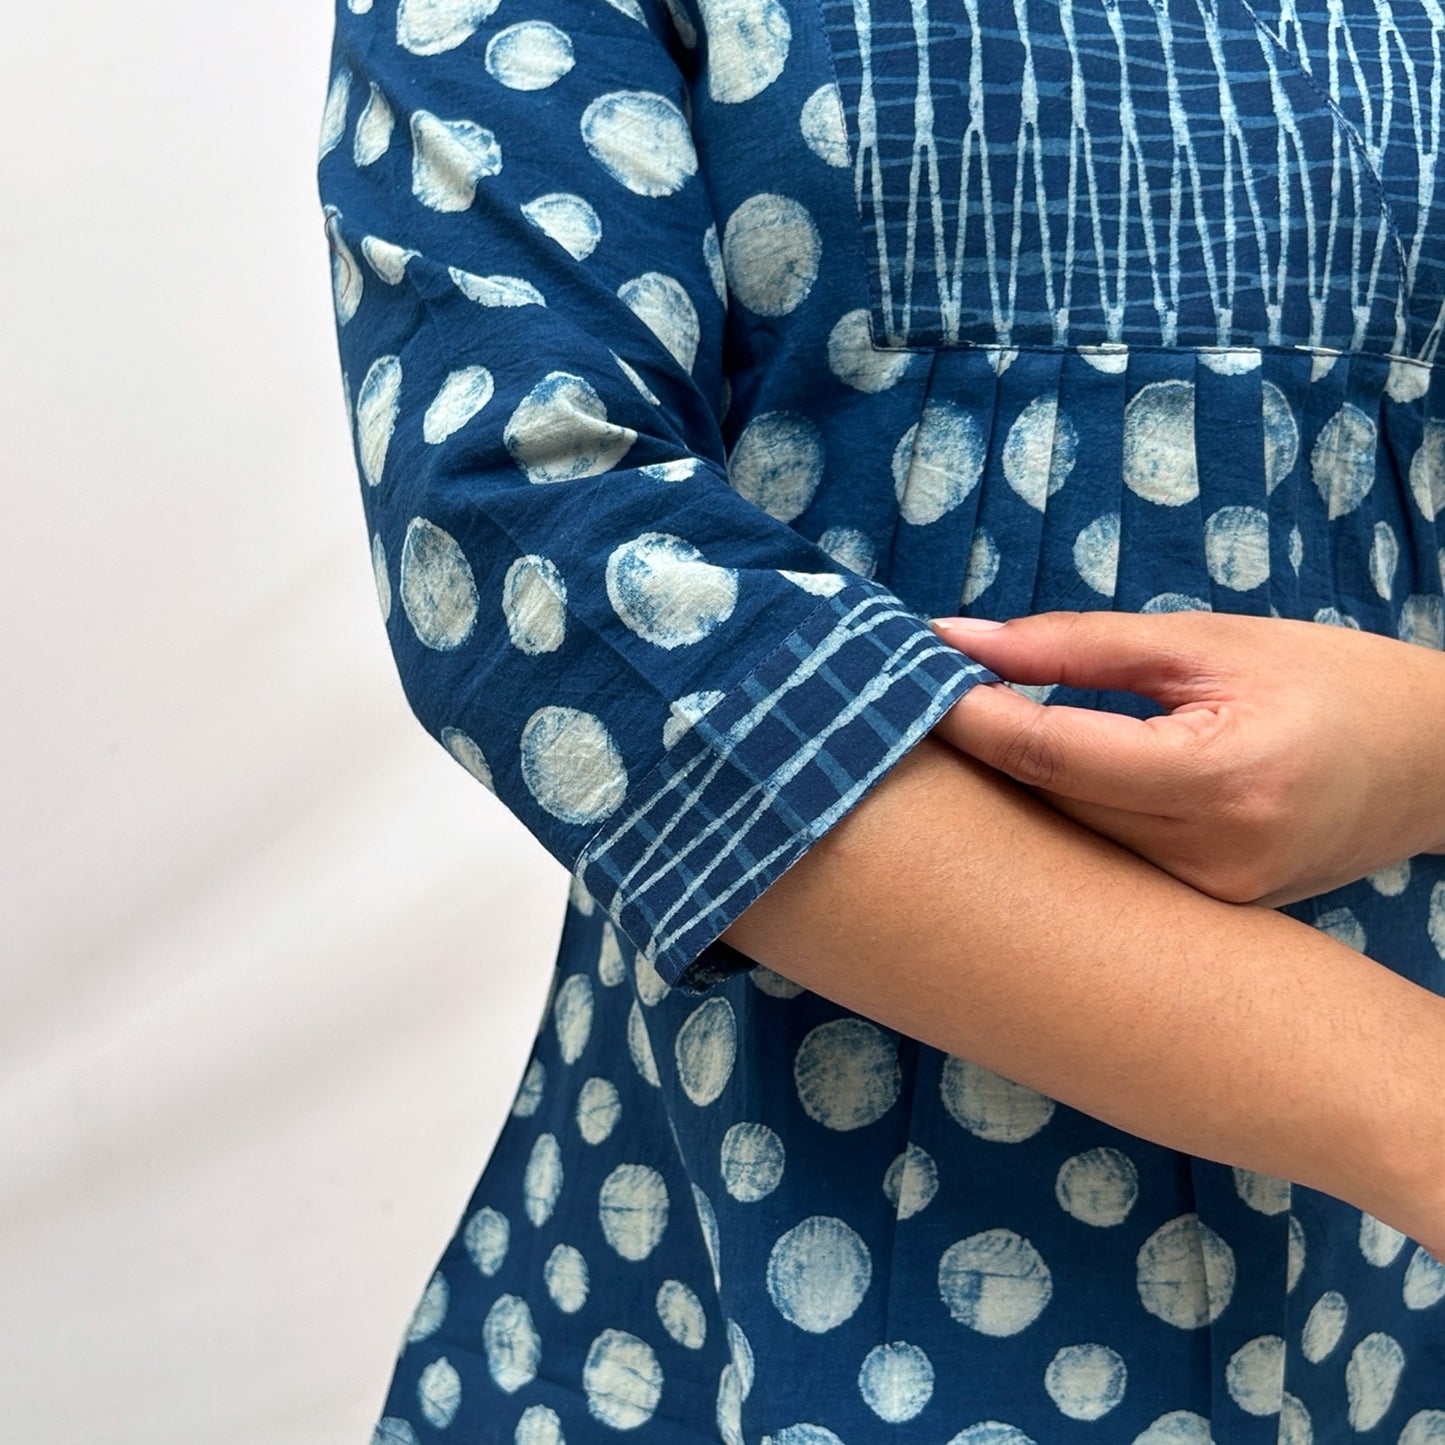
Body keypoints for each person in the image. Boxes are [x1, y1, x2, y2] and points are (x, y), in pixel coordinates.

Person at [315, 0, 1445, 1436]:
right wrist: (1412, 1097)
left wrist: (1428, 744)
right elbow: (531, 544)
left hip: (1388, 1306)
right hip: (765, 1276)